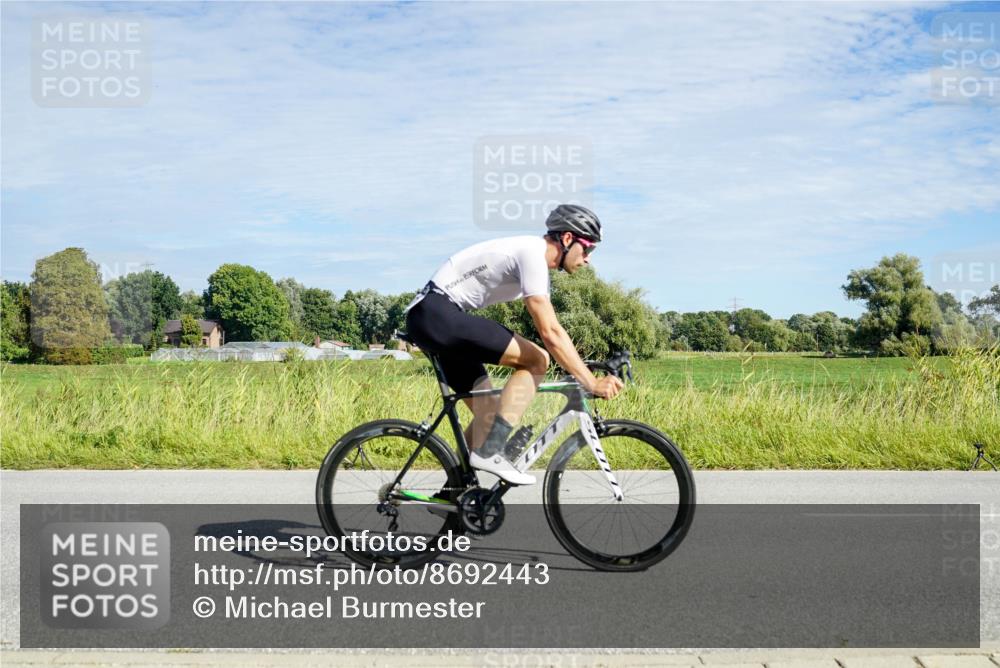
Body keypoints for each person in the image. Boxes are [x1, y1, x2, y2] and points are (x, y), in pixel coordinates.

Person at [404, 204, 624, 486]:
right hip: (438, 314)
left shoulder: (530, 257)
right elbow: (550, 331)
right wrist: (590, 382)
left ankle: (455, 495)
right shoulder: (532, 252)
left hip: (434, 318)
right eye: (588, 249)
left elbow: (550, 326)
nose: (588, 260)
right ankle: (491, 450)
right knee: (537, 360)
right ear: (568, 239)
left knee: (488, 413)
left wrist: (580, 367)